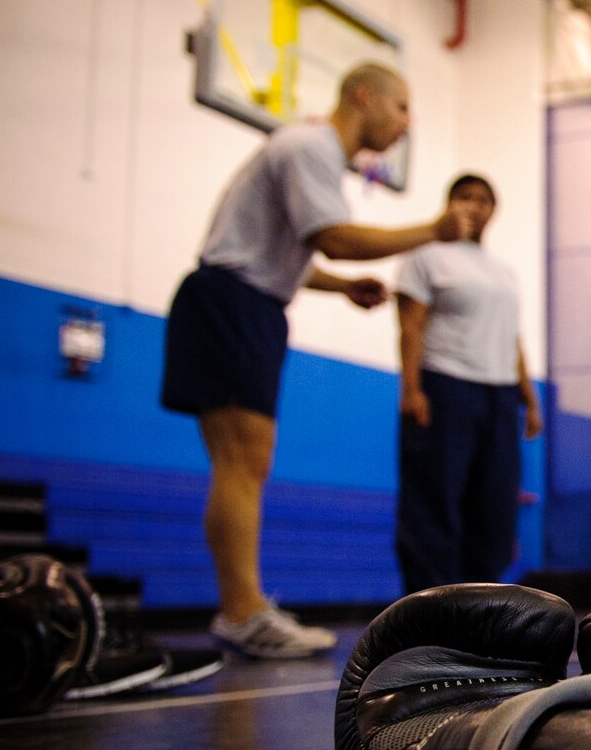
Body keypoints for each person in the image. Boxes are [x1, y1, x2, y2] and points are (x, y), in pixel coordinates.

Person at [161, 63, 465, 658]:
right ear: (364, 96)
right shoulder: (311, 145)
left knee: (247, 462)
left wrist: (340, 288)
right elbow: (336, 238)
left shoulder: (309, 151)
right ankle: (242, 613)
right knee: (241, 461)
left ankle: (242, 609)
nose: (408, 124)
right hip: (232, 303)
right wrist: (432, 229)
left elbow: (290, 251)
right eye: (401, 107)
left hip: (248, 303)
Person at [394, 174, 543, 594]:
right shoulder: (427, 257)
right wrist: (411, 388)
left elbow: (514, 339)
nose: (474, 206)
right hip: (445, 387)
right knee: (434, 500)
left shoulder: (504, 273)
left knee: (494, 505)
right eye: (465, 198)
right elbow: (411, 326)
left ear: (493, 211)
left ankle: (481, 604)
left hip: (499, 397)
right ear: (449, 204)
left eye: (483, 200)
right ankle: (429, 605)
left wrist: (529, 399)